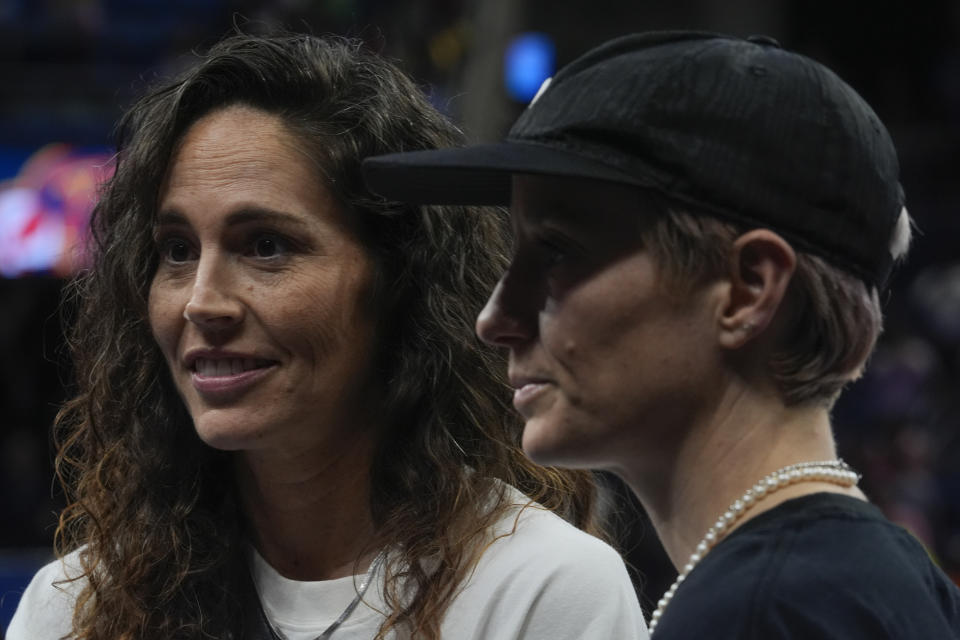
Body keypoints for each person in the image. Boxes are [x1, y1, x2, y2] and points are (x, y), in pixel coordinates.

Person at [7, 32, 647, 640]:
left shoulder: (539, 590)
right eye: (176, 251)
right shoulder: (76, 605)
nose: (201, 302)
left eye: (265, 246)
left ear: (401, 277)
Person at [363, 31, 960, 638]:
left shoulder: (762, 610)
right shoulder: (864, 581)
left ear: (747, 289)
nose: (495, 320)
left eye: (558, 252)